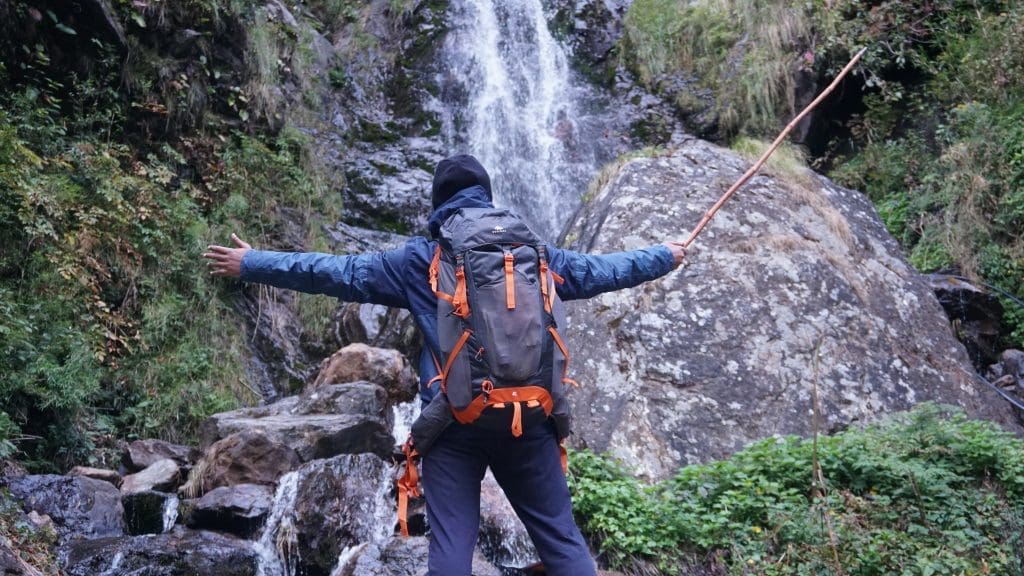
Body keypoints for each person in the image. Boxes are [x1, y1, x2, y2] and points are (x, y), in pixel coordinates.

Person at [204, 154, 686, 576]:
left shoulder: (422, 258)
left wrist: (251, 262)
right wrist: (664, 256)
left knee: (452, 553)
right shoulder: (536, 254)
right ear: (487, 198)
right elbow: (606, 270)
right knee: (563, 544)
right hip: (530, 418)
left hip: (454, 424)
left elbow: (335, 271)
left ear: (438, 205)